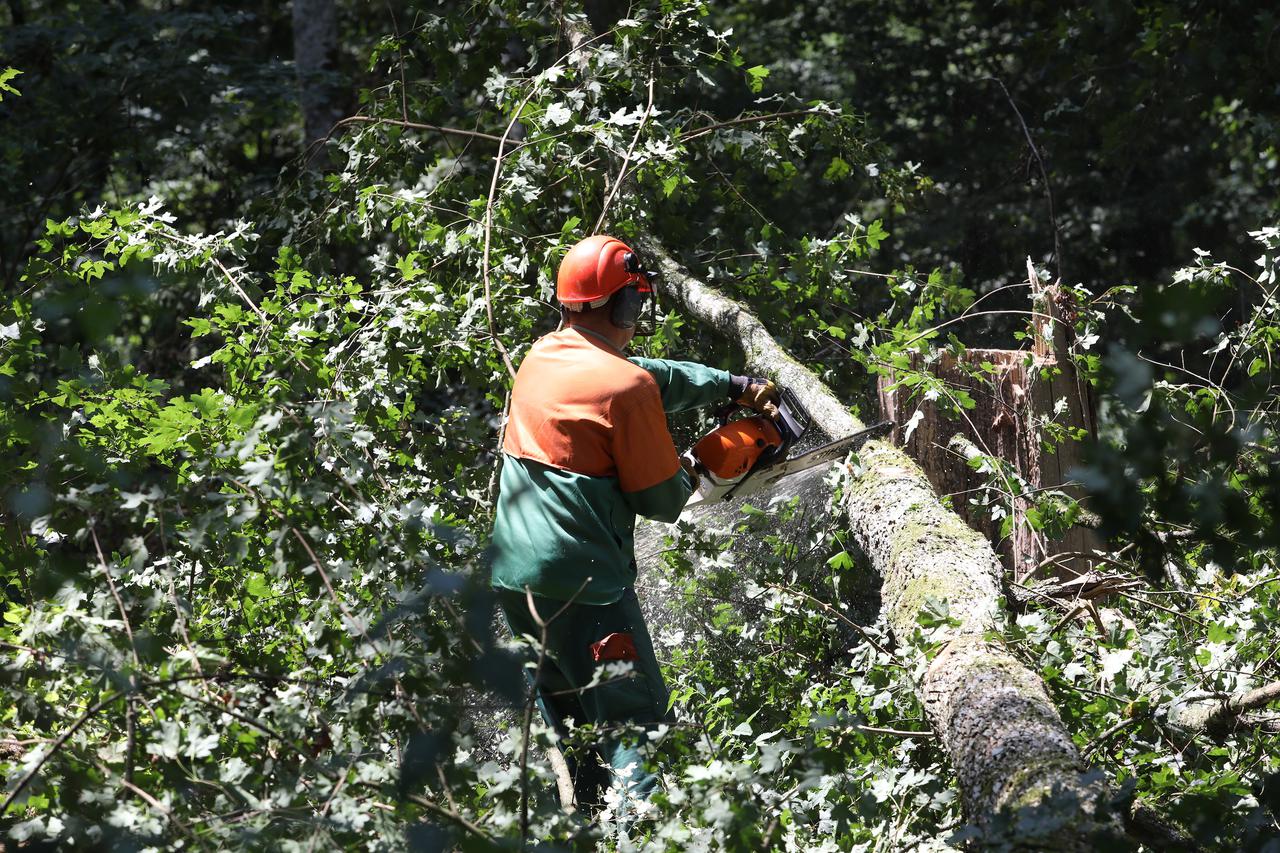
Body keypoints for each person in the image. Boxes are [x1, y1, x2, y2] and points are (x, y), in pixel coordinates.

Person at [489, 234, 779, 816]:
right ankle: (640, 835)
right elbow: (661, 501)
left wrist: (731, 385)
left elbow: (647, 376)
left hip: (515, 583)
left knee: (571, 723)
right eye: (636, 302)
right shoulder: (626, 387)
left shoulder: (543, 354)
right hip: (588, 593)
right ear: (627, 305)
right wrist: (710, 459)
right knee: (632, 723)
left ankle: (583, 827)